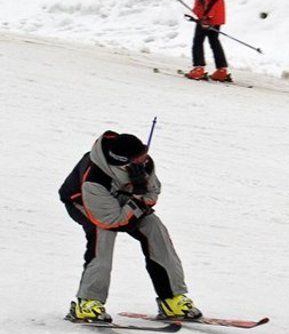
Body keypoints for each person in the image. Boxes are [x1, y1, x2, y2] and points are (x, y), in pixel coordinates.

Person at [59, 130, 202, 322]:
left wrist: (139, 191)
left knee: (154, 228)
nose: (146, 158)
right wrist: (137, 198)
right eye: (140, 156)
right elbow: (111, 221)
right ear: (123, 160)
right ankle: (87, 302)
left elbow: (153, 192)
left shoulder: (145, 164)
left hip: (124, 203)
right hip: (86, 204)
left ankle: (172, 299)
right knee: (103, 235)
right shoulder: (94, 178)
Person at [185, 0, 231, 82]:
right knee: (214, 41)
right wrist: (197, 14)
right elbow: (202, 0)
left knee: (198, 40)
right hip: (213, 16)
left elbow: (212, 1)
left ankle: (199, 68)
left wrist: (206, 18)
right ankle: (221, 70)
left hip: (209, 17)